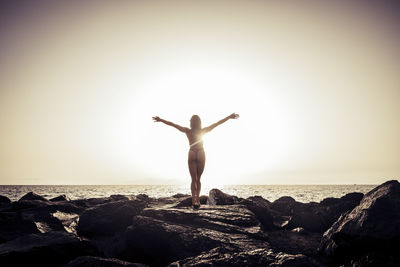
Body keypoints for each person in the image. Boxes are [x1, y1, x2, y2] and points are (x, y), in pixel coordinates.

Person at [152, 113, 239, 209]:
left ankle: (194, 200)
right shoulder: (203, 131)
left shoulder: (187, 131)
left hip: (192, 152)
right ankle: (198, 200)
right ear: (199, 122)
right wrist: (229, 117)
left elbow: (173, 124)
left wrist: (161, 120)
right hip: (201, 152)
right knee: (198, 179)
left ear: (191, 123)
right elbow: (217, 123)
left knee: (193, 179)